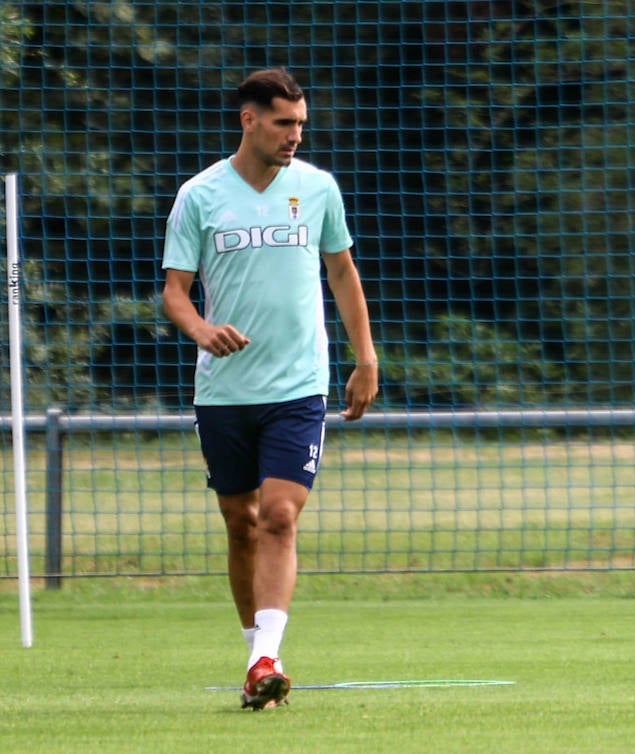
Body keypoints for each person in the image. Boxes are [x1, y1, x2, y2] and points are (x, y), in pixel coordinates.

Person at [161, 67, 379, 708]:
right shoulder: (200, 195)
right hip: (224, 390)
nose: (295, 136)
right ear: (248, 119)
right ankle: (255, 653)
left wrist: (364, 358)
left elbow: (342, 273)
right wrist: (201, 329)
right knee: (240, 524)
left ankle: (265, 658)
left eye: (301, 124)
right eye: (284, 123)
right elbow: (175, 290)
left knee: (280, 516)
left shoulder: (317, 190)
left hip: (299, 386)